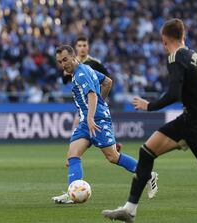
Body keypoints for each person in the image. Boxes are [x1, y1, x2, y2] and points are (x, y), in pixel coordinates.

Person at [102, 18, 197, 223]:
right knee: (146, 151)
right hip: (191, 120)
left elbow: (174, 93)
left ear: (164, 40)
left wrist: (150, 106)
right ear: (184, 36)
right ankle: (130, 210)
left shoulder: (175, 57)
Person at [52, 45, 158, 204]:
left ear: (73, 57)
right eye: (60, 61)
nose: (63, 64)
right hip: (86, 121)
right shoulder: (85, 69)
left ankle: (149, 175)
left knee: (113, 157)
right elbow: (107, 82)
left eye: (65, 60)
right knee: (73, 155)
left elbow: (93, 96)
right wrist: (95, 110)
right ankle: (73, 192)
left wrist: (91, 117)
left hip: (96, 121)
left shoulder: (81, 74)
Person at [63, 36, 123, 152]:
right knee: (84, 124)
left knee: (86, 123)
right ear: (76, 48)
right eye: (79, 46)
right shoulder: (71, 64)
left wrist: (99, 98)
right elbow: (65, 81)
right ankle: (79, 151)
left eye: (84, 45)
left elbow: (107, 79)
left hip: (93, 98)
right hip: (81, 100)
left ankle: (75, 153)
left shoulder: (95, 63)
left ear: (88, 47)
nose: (82, 48)